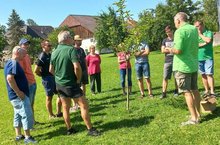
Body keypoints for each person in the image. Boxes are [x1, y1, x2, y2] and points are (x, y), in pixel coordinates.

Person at [50, 31, 100, 136]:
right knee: (84, 105)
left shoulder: (54, 51)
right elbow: (77, 67)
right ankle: (90, 129)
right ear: (67, 38)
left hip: (60, 84)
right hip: (71, 83)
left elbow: (51, 69)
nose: (72, 40)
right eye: (71, 37)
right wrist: (78, 80)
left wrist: (59, 77)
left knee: (65, 107)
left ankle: (69, 129)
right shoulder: (70, 49)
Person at [167, 12, 201, 126]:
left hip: (182, 66)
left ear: (178, 20)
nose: (174, 24)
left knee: (186, 92)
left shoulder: (179, 31)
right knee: (195, 90)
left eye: (174, 22)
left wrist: (169, 49)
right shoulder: (194, 29)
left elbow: (178, 50)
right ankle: (198, 114)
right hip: (193, 64)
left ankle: (193, 118)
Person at [4, 46, 37, 143]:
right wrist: (19, 92)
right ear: (17, 53)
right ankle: (27, 137)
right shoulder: (14, 64)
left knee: (17, 114)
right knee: (26, 114)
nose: (25, 56)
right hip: (18, 96)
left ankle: (18, 135)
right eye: (24, 54)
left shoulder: (10, 63)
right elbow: (10, 78)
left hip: (14, 96)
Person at [34, 40, 62, 119]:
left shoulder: (50, 55)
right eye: (48, 45)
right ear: (43, 46)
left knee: (60, 94)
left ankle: (59, 112)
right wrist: (43, 76)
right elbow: (36, 70)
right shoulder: (42, 56)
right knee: (49, 97)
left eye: (50, 45)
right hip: (47, 79)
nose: (50, 47)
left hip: (54, 77)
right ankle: (51, 114)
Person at [18, 38, 38, 124]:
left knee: (31, 104)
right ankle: (28, 123)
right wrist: (27, 82)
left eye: (27, 44)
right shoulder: (20, 57)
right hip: (28, 83)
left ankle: (32, 121)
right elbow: (21, 72)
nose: (26, 46)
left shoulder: (27, 55)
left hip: (33, 82)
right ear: (20, 45)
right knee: (27, 105)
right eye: (24, 44)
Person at [194, 20, 215, 97]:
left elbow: (208, 40)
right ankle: (206, 90)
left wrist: (200, 35)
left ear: (202, 25)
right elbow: (195, 45)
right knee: (203, 75)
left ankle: (212, 91)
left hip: (208, 57)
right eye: (195, 26)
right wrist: (204, 43)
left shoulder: (208, 32)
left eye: (197, 26)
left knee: (209, 74)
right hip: (199, 58)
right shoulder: (195, 35)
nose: (196, 28)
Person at [69, 35, 89, 112]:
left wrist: (86, 69)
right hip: (76, 71)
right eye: (78, 40)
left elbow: (84, 60)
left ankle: (83, 98)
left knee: (84, 84)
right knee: (76, 85)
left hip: (83, 70)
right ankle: (76, 103)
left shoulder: (81, 50)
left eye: (80, 40)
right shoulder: (72, 50)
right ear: (75, 41)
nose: (80, 42)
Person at [160, 25, 178, 99]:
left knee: (176, 77)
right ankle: (164, 93)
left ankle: (176, 91)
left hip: (176, 61)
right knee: (165, 77)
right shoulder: (165, 40)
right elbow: (162, 50)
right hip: (167, 61)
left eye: (169, 31)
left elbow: (177, 49)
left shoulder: (176, 39)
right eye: (167, 32)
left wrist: (167, 48)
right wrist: (172, 49)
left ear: (172, 31)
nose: (168, 33)